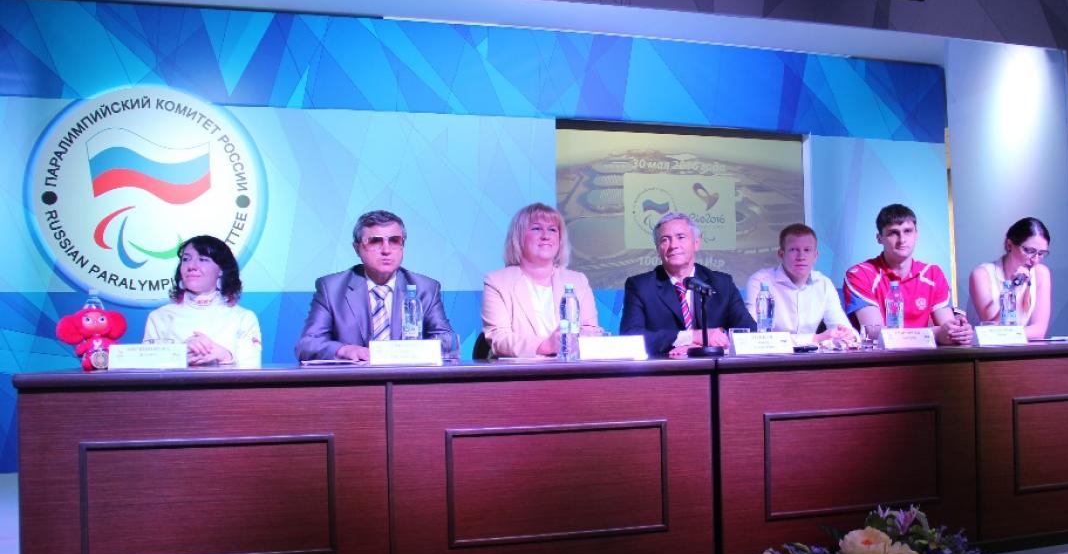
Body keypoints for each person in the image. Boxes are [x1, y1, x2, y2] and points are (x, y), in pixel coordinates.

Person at [295, 210, 454, 362]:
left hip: (407, 381)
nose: (386, 250)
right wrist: (345, 350)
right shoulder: (331, 288)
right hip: (354, 384)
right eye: (375, 241)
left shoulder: (425, 288)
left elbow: (446, 341)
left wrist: (407, 352)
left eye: (394, 241)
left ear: (402, 245)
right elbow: (307, 345)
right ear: (357, 248)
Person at [620, 212, 755, 357]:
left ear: (696, 243)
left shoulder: (722, 283)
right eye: (665, 240)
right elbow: (630, 338)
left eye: (681, 237)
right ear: (658, 248)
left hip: (716, 368)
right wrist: (691, 337)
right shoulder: (640, 286)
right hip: (666, 371)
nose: (673, 245)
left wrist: (709, 343)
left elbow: (748, 330)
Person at [480, 203, 602, 357]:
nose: (546, 235)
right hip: (523, 374)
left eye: (552, 229)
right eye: (536, 228)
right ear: (519, 237)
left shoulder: (577, 280)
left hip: (572, 368)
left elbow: (591, 330)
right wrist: (545, 345)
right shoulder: (497, 281)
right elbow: (499, 338)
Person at [843, 203, 973, 346]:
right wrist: (935, 333)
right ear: (879, 238)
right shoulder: (860, 274)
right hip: (877, 362)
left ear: (916, 234)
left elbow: (947, 327)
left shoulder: (933, 274)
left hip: (923, 360)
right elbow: (874, 333)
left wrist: (958, 332)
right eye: (893, 233)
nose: (902, 240)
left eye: (908, 231)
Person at [144, 235, 262, 366]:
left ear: (221, 270)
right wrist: (178, 353)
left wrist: (225, 356)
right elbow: (147, 371)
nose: (191, 266)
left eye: (203, 259)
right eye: (186, 259)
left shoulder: (243, 318)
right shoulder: (160, 317)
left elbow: (252, 372)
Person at [746, 223, 857, 345]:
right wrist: (815, 339)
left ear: (816, 256)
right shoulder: (761, 281)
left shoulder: (823, 283)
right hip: (771, 359)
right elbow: (753, 336)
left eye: (807, 250)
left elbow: (842, 326)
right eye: (794, 250)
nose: (801, 257)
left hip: (813, 359)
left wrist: (846, 334)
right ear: (781, 254)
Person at [968, 217, 1052, 339]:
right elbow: (992, 329)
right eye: (1029, 251)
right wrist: (1013, 288)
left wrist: (1012, 334)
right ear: (1009, 245)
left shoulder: (1041, 273)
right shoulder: (982, 274)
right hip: (983, 353)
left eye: (1041, 253)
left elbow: (1039, 331)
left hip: (1021, 350)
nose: (1035, 260)